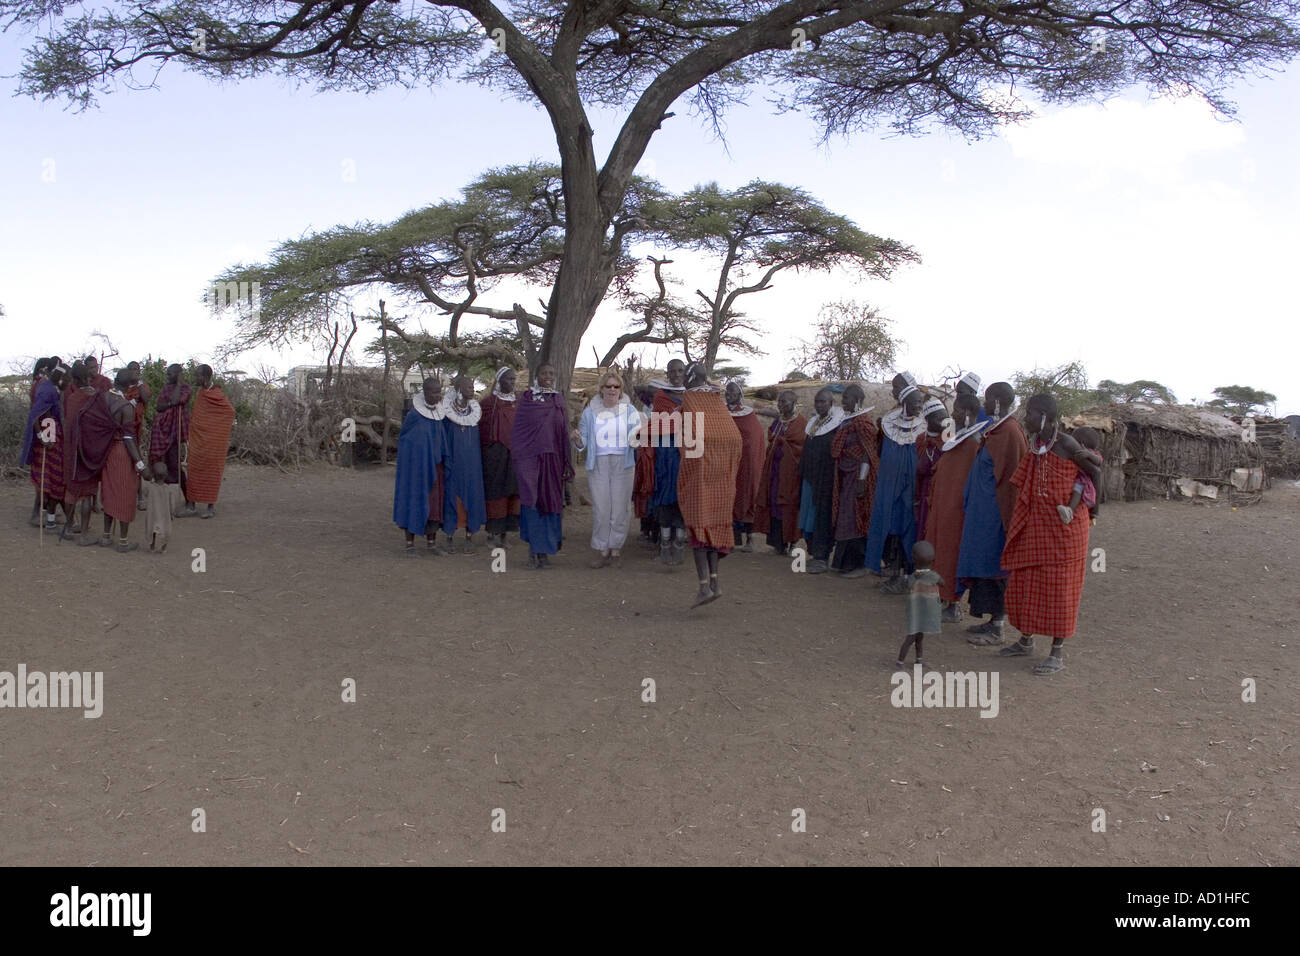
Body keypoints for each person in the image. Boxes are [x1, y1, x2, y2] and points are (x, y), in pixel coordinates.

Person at [997, 394, 1102, 674]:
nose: (1025, 418)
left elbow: (1095, 474)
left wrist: (1094, 511)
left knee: (1059, 590)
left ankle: (1056, 653)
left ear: (1043, 415)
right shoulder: (1038, 444)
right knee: (1027, 583)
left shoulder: (1067, 444)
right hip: (1038, 525)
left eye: (1029, 413)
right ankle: (1025, 641)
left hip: (1065, 530)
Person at [961, 382, 1029, 645]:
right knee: (983, 562)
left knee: (994, 566)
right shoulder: (996, 431)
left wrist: (1006, 519)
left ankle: (998, 626)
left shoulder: (1010, 433)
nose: (985, 404)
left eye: (988, 400)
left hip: (995, 515)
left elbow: (1011, 481)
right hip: (983, 514)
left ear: (999, 401)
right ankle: (990, 620)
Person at [677, 363, 742, 607]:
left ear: (692, 377)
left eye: (684, 374)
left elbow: (691, 436)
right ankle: (715, 583)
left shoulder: (691, 399)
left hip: (701, 473)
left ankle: (704, 586)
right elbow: (734, 438)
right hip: (723, 477)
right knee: (713, 527)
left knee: (698, 527)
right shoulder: (718, 400)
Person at [923, 393, 987, 623]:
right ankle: (942, 598)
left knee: (951, 554)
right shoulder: (957, 440)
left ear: (968, 413)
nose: (954, 414)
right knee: (939, 551)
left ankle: (953, 602)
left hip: (956, 510)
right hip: (942, 507)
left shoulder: (972, 445)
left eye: (958, 410)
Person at [572, 369, 642, 568]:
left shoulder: (630, 412)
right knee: (602, 508)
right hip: (599, 463)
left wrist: (639, 437)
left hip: (624, 463)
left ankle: (616, 548)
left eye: (616, 386)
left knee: (620, 508)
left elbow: (636, 439)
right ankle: (602, 549)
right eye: (608, 386)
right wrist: (577, 439)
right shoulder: (589, 412)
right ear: (601, 390)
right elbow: (583, 441)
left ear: (620, 390)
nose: (612, 389)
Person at [864, 374, 926, 592]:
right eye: (915, 402)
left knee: (908, 531)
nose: (919, 406)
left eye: (920, 402)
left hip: (911, 492)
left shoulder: (923, 429)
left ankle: (907, 576)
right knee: (891, 529)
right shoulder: (888, 425)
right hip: (889, 488)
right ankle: (895, 573)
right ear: (904, 403)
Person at [88, 370, 147, 551]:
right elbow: (129, 438)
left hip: (105, 451)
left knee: (109, 491)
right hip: (121, 453)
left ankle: (106, 536)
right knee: (125, 494)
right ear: (130, 386)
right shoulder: (126, 407)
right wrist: (139, 463)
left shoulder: (101, 399)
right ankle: (123, 541)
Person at [393, 377, 447, 556]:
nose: (437, 395)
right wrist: (419, 458)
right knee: (414, 502)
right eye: (434, 392)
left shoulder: (439, 415)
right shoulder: (414, 416)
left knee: (434, 505)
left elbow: (441, 442)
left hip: (435, 468)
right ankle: (410, 544)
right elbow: (407, 442)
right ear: (424, 393)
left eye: (439, 392)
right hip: (416, 471)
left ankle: (432, 543)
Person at [829, 384, 879, 578]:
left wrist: (861, 479)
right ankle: (844, 563)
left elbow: (868, 452)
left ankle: (858, 564)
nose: (843, 401)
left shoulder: (863, 424)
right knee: (845, 516)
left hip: (858, 476)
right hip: (845, 475)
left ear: (858, 400)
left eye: (847, 398)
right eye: (843, 398)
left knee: (855, 517)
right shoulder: (847, 422)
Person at [754, 390, 806, 556]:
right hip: (775, 472)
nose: (781, 405)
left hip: (791, 475)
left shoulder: (800, 423)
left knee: (789, 506)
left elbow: (801, 448)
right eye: (780, 402)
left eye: (785, 402)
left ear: (794, 403)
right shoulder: (778, 421)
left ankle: (792, 541)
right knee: (774, 504)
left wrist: (785, 445)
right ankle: (778, 543)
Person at [797, 388, 844, 574]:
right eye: (817, 401)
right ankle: (812, 552)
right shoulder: (814, 424)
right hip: (810, 479)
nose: (819, 404)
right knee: (808, 516)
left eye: (823, 401)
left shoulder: (837, 426)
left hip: (825, 481)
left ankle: (822, 556)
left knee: (821, 516)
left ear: (831, 403)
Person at [440, 374, 487, 554]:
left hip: (472, 463)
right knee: (452, 496)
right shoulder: (447, 412)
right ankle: (449, 536)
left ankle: (469, 536)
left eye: (473, 386)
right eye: (468, 387)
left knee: (472, 497)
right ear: (458, 389)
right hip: (453, 462)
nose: (472, 389)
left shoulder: (474, 412)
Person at [22, 362, 68, 533]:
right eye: (65, 379)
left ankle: (47, 516)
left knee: (50, 480)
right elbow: (36, 415)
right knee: (48, 480)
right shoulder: (47, 390)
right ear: (59, 376)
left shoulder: (53, 389)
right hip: (46, 443)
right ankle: (43, 517)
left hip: (52, 437)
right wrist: (42, 438)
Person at [649, 359, 688, 564]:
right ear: (667, 373)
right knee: (665, 498)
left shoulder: (692, 395)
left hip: (686, 454)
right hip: (665, 453)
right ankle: (664, 546)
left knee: (682, 498)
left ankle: (679, 544)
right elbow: (657, 426)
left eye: (680, 370)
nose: (676, 374)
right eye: (672, 371)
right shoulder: (661, 396)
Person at [184, 365, 236, 519]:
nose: (195, 378)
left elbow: (229, 412)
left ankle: (210, 507)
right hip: (198, 441)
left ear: (205, 377)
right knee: (193, 471)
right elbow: (198, 416)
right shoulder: (201, 393)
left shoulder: (217, 395)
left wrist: (214, 431)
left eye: (198, 376)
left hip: (213, 443)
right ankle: (191, 505)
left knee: (211, 473)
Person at [478, 367, 521, 548]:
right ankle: (492, 533)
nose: (512, 383)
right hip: (495, 454)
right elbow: (481, 430)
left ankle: (504, 534)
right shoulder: (488, 404)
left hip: (515, 454)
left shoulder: (519, 402)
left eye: (513, 379)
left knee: (512, 491)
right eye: (508, 379)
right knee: (496, 492)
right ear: (499, 381)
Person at [725, 380, 767, 552]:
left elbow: (754, 440)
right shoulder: (721, 414)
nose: (729, 396)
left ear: (740, 395)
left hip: (746, 464)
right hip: (728, 464)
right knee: (729, 497)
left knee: (748, 496)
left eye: (733, 393)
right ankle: (733, 539)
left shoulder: (748, 415)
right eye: (727, 393)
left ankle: (750, 539)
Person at [62, 362, 102, 541]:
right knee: (87, 493)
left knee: (71, 489)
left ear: (74, 380)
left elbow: (68, 423)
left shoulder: (72, 398)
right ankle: (84, 534)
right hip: (89, 450)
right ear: (87, 378)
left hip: (71, 448)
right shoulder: (96, 398)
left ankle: (69, 527)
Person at [897, 540, 943, 670]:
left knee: (915, 638)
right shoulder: (933, 576)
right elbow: (942, 582)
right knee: (914, 638)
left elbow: (907, 585)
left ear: (913, 558)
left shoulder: (912, 577)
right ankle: (901, 662)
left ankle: (917, 660)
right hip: (925, 613)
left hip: (914, 612)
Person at [148, 364, 192, 491]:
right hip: (162, 430)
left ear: (178, 375)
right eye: (167, 373)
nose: (167, 376)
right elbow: (159, 406)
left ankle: (188, 498)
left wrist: (178, 384)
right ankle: (166, 496)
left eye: (170, 374)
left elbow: (176, 401)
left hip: (175, 432)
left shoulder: (186, 388)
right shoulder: (165, 388)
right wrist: (168, 404)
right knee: (162, 463)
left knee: (174, 465)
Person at [914, 397, 949, 541]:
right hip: (924, 491)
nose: (944, 421)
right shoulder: (921, 440)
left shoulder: (950, 439)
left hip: (942, 492)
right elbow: (917, 471)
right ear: (928, 420)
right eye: (938, 418)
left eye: (945, 416)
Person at [1060, 426, 1103, 524]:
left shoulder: (1091, 453)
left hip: (1084, 480)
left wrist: (1089, 455)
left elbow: (1099, 461)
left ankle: (1070, 510)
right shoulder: (1076, 451)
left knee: (1077, 490)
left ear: (1080, 443)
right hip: (1078, 477)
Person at [125, 361, 152, 511]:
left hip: (136, 430)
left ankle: (140, 497)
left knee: (137, 462)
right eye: (131, 370)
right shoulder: (123, 388)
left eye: (137, 370)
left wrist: (139, 382)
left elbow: (146, 398)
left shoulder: (142, 387)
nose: (134, 372)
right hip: (122, 429)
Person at [144, 461, 176, 553]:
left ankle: (152, 547)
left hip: (153, 515)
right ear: (166, 475)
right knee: (166, 531)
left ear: (153, 475)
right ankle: (163, 548)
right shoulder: (168, 489)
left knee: (152, 530)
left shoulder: (150, 487)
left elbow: (145, 493)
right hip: (165, 515)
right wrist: (172, 513)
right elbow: (172, 503)